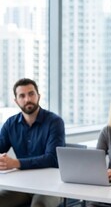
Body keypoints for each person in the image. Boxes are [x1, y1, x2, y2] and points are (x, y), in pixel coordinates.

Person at [0, 78, 65, 207]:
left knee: (39, 205)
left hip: (51, 186)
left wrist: (15, 163)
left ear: (38, 96)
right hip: (22, 185)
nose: (27, 99)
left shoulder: (55, 122)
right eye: (22, 96)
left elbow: (52, 159)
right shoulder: (10, 124)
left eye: (31, 94)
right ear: (16, 100)